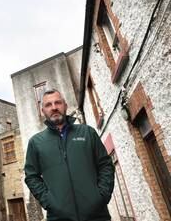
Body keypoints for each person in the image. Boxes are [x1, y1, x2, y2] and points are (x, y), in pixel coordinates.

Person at [24, 89, 115, 221]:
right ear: (42, 111)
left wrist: (101, 195)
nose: (54, 107)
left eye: (58, 102)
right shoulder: (36, 142)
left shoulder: (87, 133)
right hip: (58, 217)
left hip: (97, 215)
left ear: (65, 105)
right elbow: (31, 176)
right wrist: (49, 202)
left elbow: (105, 165)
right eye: (48, 105)